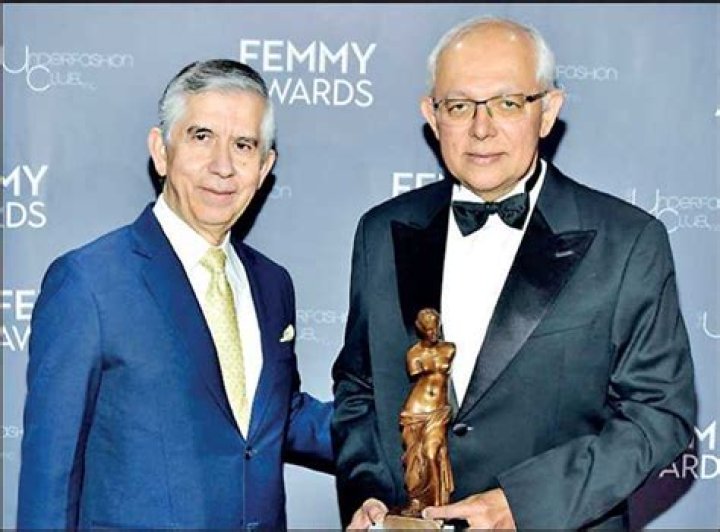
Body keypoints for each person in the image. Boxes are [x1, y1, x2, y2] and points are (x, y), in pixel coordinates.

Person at [331, 15, 697, 531]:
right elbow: (357, 388)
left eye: (507, 103)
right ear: (432, 115)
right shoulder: (380, 231)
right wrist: (367, 488)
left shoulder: (628, 241)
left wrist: (522, 506)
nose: (481, 129)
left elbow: (659, 415)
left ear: (548, 111)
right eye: (459, 106)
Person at [17, 59, 333, 530]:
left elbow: (272, 415)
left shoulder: (273, 284)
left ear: (264, 167)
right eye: (201, 136)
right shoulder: (88, 282)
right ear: (161, 151)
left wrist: (407, 431)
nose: (222, 166)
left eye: (243, 145)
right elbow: (51, 481)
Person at [398, 308, 455, 517]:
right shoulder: (414, 354)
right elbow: (416, 375)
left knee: (431, 453)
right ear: (420, 329)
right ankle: (417, 501)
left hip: (438, 410)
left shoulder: (449, 348)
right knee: (414, 459)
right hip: (415, 410)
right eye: (428, 330)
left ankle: (438, 505)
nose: (433, 334)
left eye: (435, 328)